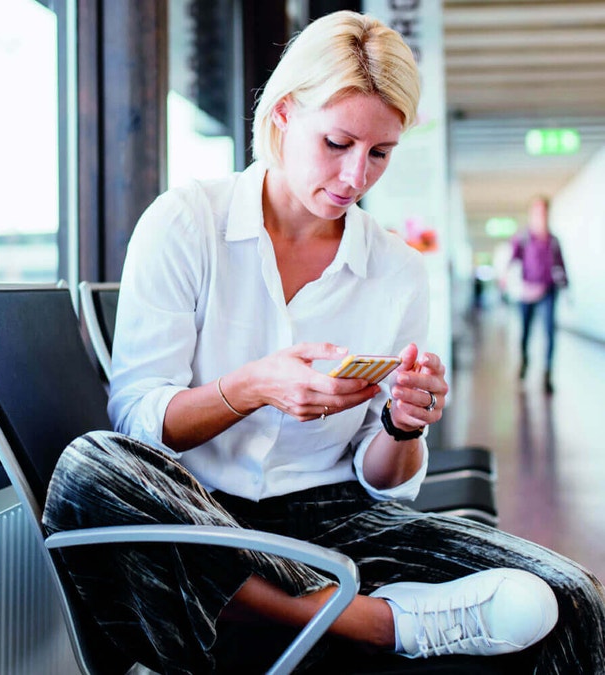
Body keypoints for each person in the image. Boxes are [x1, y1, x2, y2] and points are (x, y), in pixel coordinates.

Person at [43, 11, 605, 674]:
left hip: (333, 523)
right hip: (201, 519)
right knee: (88, 469)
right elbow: (140, 423)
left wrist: (401, 426)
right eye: (337, 142)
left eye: (379, 153)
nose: (354, 176)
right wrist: (255, 385)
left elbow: (383, 481)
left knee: (574, 598)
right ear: (283, 114)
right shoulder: (186, 224)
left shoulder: (396, 270)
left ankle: (292, 605)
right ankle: (377, 622)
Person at [509, 196, 568, 394]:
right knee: (526, 331)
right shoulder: (523, 238)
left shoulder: (553, 241)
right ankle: (525, 361)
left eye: (544, 211)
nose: (540, 215)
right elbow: (512, 261)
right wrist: (508, 280)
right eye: (537, 211)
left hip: (548, 290)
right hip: (527, 292)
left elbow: (561, 265)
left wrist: (567, 286)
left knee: (550, 332)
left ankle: (548, 373)